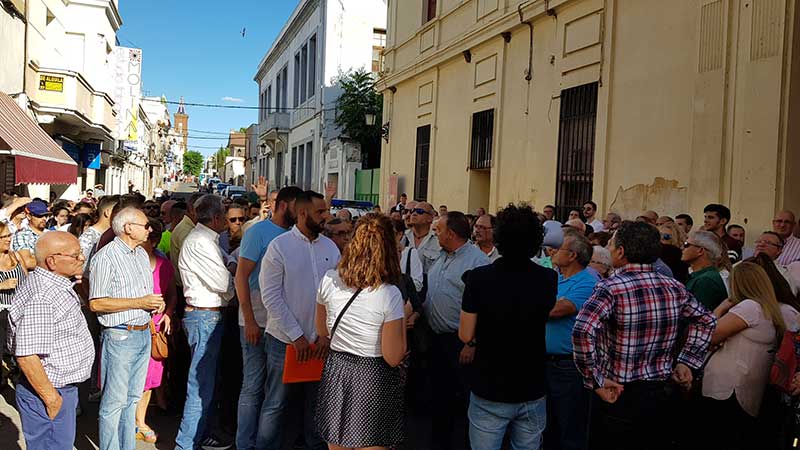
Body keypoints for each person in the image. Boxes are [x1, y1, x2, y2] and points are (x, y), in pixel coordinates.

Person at [572, 221, 716, 450]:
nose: (609, 249)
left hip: (619, 392)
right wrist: (687, 362)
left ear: (621, 251)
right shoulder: (673, 286)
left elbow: (582, 330)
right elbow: (706, 320)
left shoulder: (611, 287)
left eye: (611, 245)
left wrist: (594, 379)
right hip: (660, 392)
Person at [458, 204, 556, 449]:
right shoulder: (548, 278)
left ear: (499, 237)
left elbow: (466, 333)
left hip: (489, 383)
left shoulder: (479, 278)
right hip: (531, 382)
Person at [314, 213, 407, 449]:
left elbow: (321, 329)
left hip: (337, 371)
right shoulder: (389, 294)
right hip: (372, 377)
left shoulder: (329, 280)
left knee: (337, 443)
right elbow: (393, 356)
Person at [259, 190, 340, 450]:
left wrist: (325, 334)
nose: (326, 216)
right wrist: (297, 336)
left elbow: (338, 294)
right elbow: (271, 297)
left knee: (317, 405)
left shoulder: (330, 247)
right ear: (303, 213)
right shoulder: (279, 247)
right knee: (276, 404)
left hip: (320, 344)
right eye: (320, 212)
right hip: (284, 342)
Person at [6, 232, 93, 450]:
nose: (82, 258)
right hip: (49, 390)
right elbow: (27, 355)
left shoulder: (53, 285)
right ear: (52, 261)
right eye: (75, 255)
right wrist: (52, 399)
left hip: (57, 389)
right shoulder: (42, 296)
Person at [89, 207, 165, 450]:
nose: (150, 229)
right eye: (145, 225)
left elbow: (143, 294)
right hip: (120, 334)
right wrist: (140, 302)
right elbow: (96, 302)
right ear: (128, 228)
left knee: (132, 399)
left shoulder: (141, 254)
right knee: (114, 402)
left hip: (142, 331)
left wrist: (155, 303)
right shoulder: (106, 257)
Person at [234, 186, 300, 450]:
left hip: (282, 324)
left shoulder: (296, 235)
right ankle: (244, 444)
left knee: (276, 393)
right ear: (283, 205)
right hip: (257, 320)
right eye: (297, 206)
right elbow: (241, 277)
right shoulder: (257, 232)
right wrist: (249, 320)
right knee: (252, 387)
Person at [699, 262, 787, 450]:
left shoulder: (749, 307)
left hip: (728, 390)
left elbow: (709, 334)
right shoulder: (769, 310)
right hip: (748, 391)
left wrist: (721, 308)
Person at [424, 211, 491, 450]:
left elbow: (485, 308)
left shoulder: (477, 262)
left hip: (461, 342)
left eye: (439, 230)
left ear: (451, 233)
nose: (435, 234)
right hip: (436, 340)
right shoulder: (441, 256)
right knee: (439, 397)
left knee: (464, 400)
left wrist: (471, 343)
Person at [174, 195, 235, 450]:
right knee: (200, 385)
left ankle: (204, 434)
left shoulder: (208, 239)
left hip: (208, 316)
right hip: (204, 316)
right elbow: (224, 284)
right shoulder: (200, 241)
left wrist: (232, 267)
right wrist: (233, 277)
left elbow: (229, 260)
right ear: (217, 218)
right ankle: (186, 444)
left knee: (207, 383)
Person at [540, 229, 595, 450]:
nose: (552, 251)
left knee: (569, 427)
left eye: (558, 248)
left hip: (567, 366)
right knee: (547, 426)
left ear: (572, 255)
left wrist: (525, 305)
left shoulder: (587, 282)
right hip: (545, 362)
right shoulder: (557, 277)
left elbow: (557, 309)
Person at [134, 219, 176, 444]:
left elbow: (172, 294)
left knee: (149, 377)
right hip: (131, 325)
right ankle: (128, 420)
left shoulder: (164, 264)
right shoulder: (128, 263)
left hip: (155, 327)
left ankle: (140, 422)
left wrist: (168, 312)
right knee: (129, 377)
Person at [0, 221, 27, 388]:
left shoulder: (16, 256)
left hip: (19, 310)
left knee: (20, 348)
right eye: (3, 236)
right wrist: (2, 286)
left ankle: (20, 379)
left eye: (9, 235)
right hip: (1, 311)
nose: (8, 239)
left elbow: (27, 280)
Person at [682, 231, 728, 310]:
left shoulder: (705, 280)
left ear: (700, 251)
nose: (682, 248)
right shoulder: (703, 277)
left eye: (686, 244)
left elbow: (699, 315)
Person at [12, 199, 50, 269]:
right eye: (39, 216)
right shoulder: (22, 235)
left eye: (46, 215)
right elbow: (28, 262)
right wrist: (53, 261)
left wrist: (35, 257)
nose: (44, 218)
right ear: (29, 216)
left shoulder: (51, 234)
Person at [404, 202, 441, 273]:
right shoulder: (403, 237)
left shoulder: (438, 241)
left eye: (419, 211)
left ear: (430, 218)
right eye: (413, 211)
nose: (414, 213)